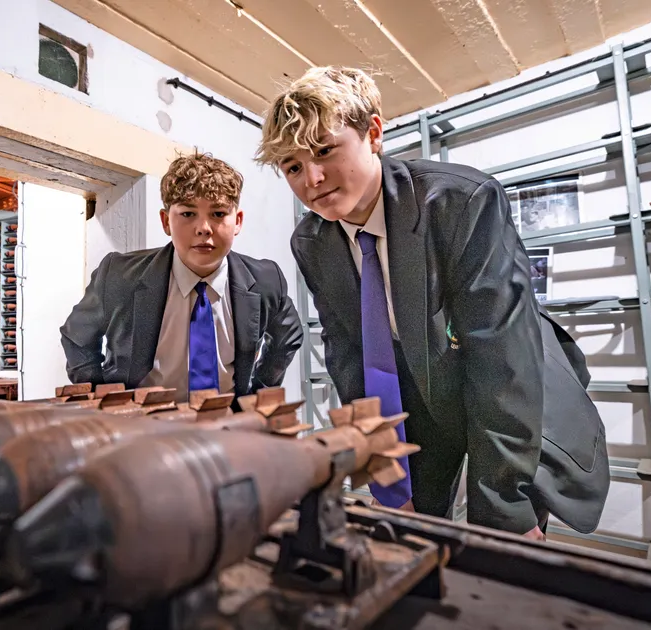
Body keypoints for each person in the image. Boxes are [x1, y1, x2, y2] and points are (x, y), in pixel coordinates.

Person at [254, 66, 609, 540]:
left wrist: (506, 513)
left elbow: (502, 360)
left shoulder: (461, 202)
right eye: (293, 167)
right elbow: (347, 350)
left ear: (373, 133)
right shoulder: (312, 240)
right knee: (412, 532)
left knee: (505, 545)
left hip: (512, 391)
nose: (312, 179)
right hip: (420, 390)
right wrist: (378, 453)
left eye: (324, 150)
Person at [60, 151, 303, 404]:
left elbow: (289, 336)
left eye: (218, 214)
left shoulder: (265, 280)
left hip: (225, 420)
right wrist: (108, 401)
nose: (203, 228)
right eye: (188, 214)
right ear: (166, 221)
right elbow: (76, 337)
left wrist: (257, 393)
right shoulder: (120, 275)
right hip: (143, 423)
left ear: (238, 221)